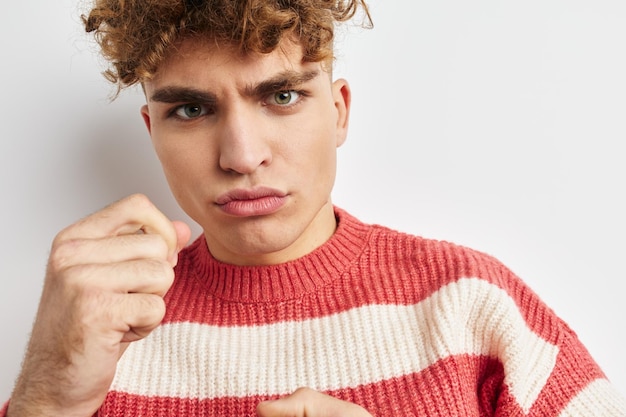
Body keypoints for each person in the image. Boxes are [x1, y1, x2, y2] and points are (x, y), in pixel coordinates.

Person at [2, 0, 625, 415]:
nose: (242, 156)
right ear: (151, 130)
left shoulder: (471, 305)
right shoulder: (96, 335)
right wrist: (46, 397)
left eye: (281, 95)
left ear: (339, 111)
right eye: (191, 110)